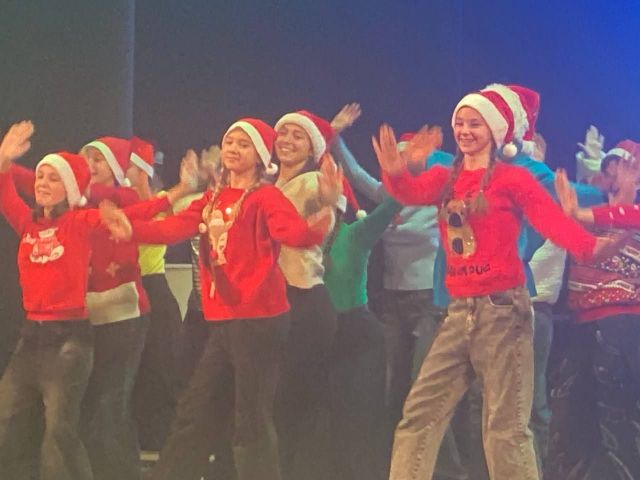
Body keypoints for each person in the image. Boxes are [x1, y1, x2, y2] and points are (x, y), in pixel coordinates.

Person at [373, 84, 609, 480]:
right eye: (460, 123)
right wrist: (396, 170)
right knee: (419, 416)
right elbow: (407, 192)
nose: (465, 131)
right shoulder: (445, 178)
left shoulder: (512, 179)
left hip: (502, 310)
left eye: (475, 124)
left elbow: (550, 221)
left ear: (495, 132)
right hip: (459, 312)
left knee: (505, 430)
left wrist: (590, 247)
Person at [101, 118, 334, 480]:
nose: (233, 149)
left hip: (260, 319)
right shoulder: (212, 199)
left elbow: (292, 232)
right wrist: (133, 229)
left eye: (243, 144)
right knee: (196, 409)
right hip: (225, 319)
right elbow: (174, 226)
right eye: (229, 142)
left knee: (250, 420)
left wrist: (321, 220)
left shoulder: (265, 197)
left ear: (260, 156)